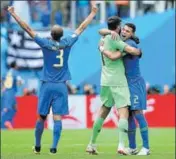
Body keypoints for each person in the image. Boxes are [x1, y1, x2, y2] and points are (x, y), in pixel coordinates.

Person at [7, 1, 98, 154]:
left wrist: (13, 13)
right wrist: (93, 13)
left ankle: (37, 146)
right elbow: (81, 28)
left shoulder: (45, 43)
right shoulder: (68, 42)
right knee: (57, 118)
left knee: (41, 117)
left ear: (51, 35)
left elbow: (27, 28)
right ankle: (54, 147)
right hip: (61, 85)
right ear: (62, 35)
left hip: (46, 84)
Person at [86, 16, 141, 155]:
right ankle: (122, 146)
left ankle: (91, 144)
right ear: (117, 27)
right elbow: (132, 51)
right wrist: (137, 51)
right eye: (121, 26)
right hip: (118, 81)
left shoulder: (103, 39)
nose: (122, 28)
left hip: (105, 81)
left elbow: (100, 31)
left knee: (103, 112)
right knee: (123, 112)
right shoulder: (116, 40)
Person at [99, 23, 150, 155]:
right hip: (126, 84)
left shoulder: (130, 44)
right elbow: (101, 31)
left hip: (135, 83)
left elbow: (114, 56)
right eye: (123, 29)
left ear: (132, 34)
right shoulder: (120, 41)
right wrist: (110, 32)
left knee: (138, 113)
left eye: (128, 31)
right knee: (129, 116)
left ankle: (146, 147)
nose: (125, 32)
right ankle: (132, 147)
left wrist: (102, 48)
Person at [1, 61, 23, 130]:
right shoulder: (15, 72)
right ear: (15, 66)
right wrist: (21, 82)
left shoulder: (6, 72)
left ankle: (8, 122)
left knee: (15, 108)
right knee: (6, 109)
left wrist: (3, 87)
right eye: (17, 65)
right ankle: (4, 123)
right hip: (9, 92)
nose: (18, 66)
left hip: (7, 92)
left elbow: (1, 79)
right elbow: (20, 82)